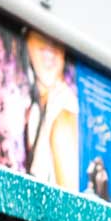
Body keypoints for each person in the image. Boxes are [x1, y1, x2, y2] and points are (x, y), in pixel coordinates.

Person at [22, 28, 79, 191]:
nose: (49, 46)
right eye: (39, 36)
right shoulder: (34, 108)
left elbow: (70, 201)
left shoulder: (64, 115)